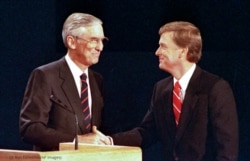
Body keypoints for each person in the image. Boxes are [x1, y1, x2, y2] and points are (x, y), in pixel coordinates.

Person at [111, 21, 239, 161]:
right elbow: (146, 133)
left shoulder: (215, 88)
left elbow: (227, 151)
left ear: (182, 51)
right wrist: (109, 141)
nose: (157, 52)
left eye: (163, 46)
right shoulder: (161, 89)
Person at [19, 12, 111, 151]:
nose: (100, 47)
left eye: (102, 40)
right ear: (71, 42)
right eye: (93, 40)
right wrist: (76, 141)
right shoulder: (45, 75)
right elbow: (30, 128)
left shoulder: (96, 80)